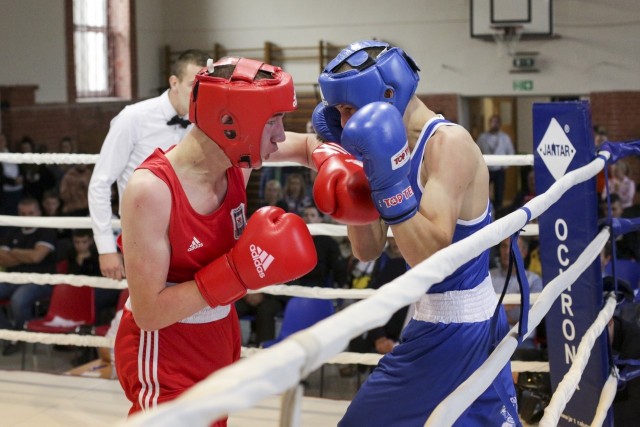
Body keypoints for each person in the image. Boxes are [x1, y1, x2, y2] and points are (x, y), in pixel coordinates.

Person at [312, 40, 519, 426]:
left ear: (388, 92)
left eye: (348, 108)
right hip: (435, 320)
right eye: (337, 111)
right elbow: (368, 250)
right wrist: (353, 172)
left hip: (458, 327)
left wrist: (389, 185)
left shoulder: (448, 144)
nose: (342, 122)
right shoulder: (380, 146)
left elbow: (430, 257)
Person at [114, 57, 319, 421]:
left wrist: (346, 164)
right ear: (230, 124)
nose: (281, 136)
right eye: (272, 121)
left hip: (221, 334)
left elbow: (307, 148)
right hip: (166, 350)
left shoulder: (235, 160)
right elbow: (148, 313)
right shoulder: (153, 190)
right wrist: (236, 273)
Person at [88, 49, 209, 281]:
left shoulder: (204, 121)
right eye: (194, 84)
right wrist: (105, 247)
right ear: (174, 82)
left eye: (205, 85)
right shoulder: (133, 118)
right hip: (142, 234)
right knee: (147, 311)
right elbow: (100, 183)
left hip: (191, 234)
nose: (199, 93)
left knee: (190, 306)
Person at [0, 197, 57, 355]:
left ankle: (23, 336)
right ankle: (11, 335)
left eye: (31, 213)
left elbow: (36, 257)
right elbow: (2, 258)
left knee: (18, 299)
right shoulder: (12, 231)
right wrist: (27, 255)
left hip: (40, 280)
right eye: (23, 214)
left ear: (39, 212)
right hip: (14, 278)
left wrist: (14, 252)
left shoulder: (47, 230)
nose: (27, 217)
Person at [490, 236, 543, 352]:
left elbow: (527, 317)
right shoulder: (488, 276)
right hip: (491, 340)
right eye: (503, 246)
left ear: (524, 252)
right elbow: (480, 310)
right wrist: (513, 307)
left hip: (521, 341)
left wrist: (495, 312)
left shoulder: (534, 281)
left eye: (512, 246)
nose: (506, 251)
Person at [476, 114, 516, 210]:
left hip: (499, 170)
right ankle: (484, 211)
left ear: (500, 124)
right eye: (492, 122)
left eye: (497, 122)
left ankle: (498, 212)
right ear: (489, 123)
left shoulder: (505, 138)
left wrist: (504, 166)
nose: (494, 124)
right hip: (486, 169)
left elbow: (511, 153)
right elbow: (476, 151)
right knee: (483, 193)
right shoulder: (482, 138)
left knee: (499, 194)